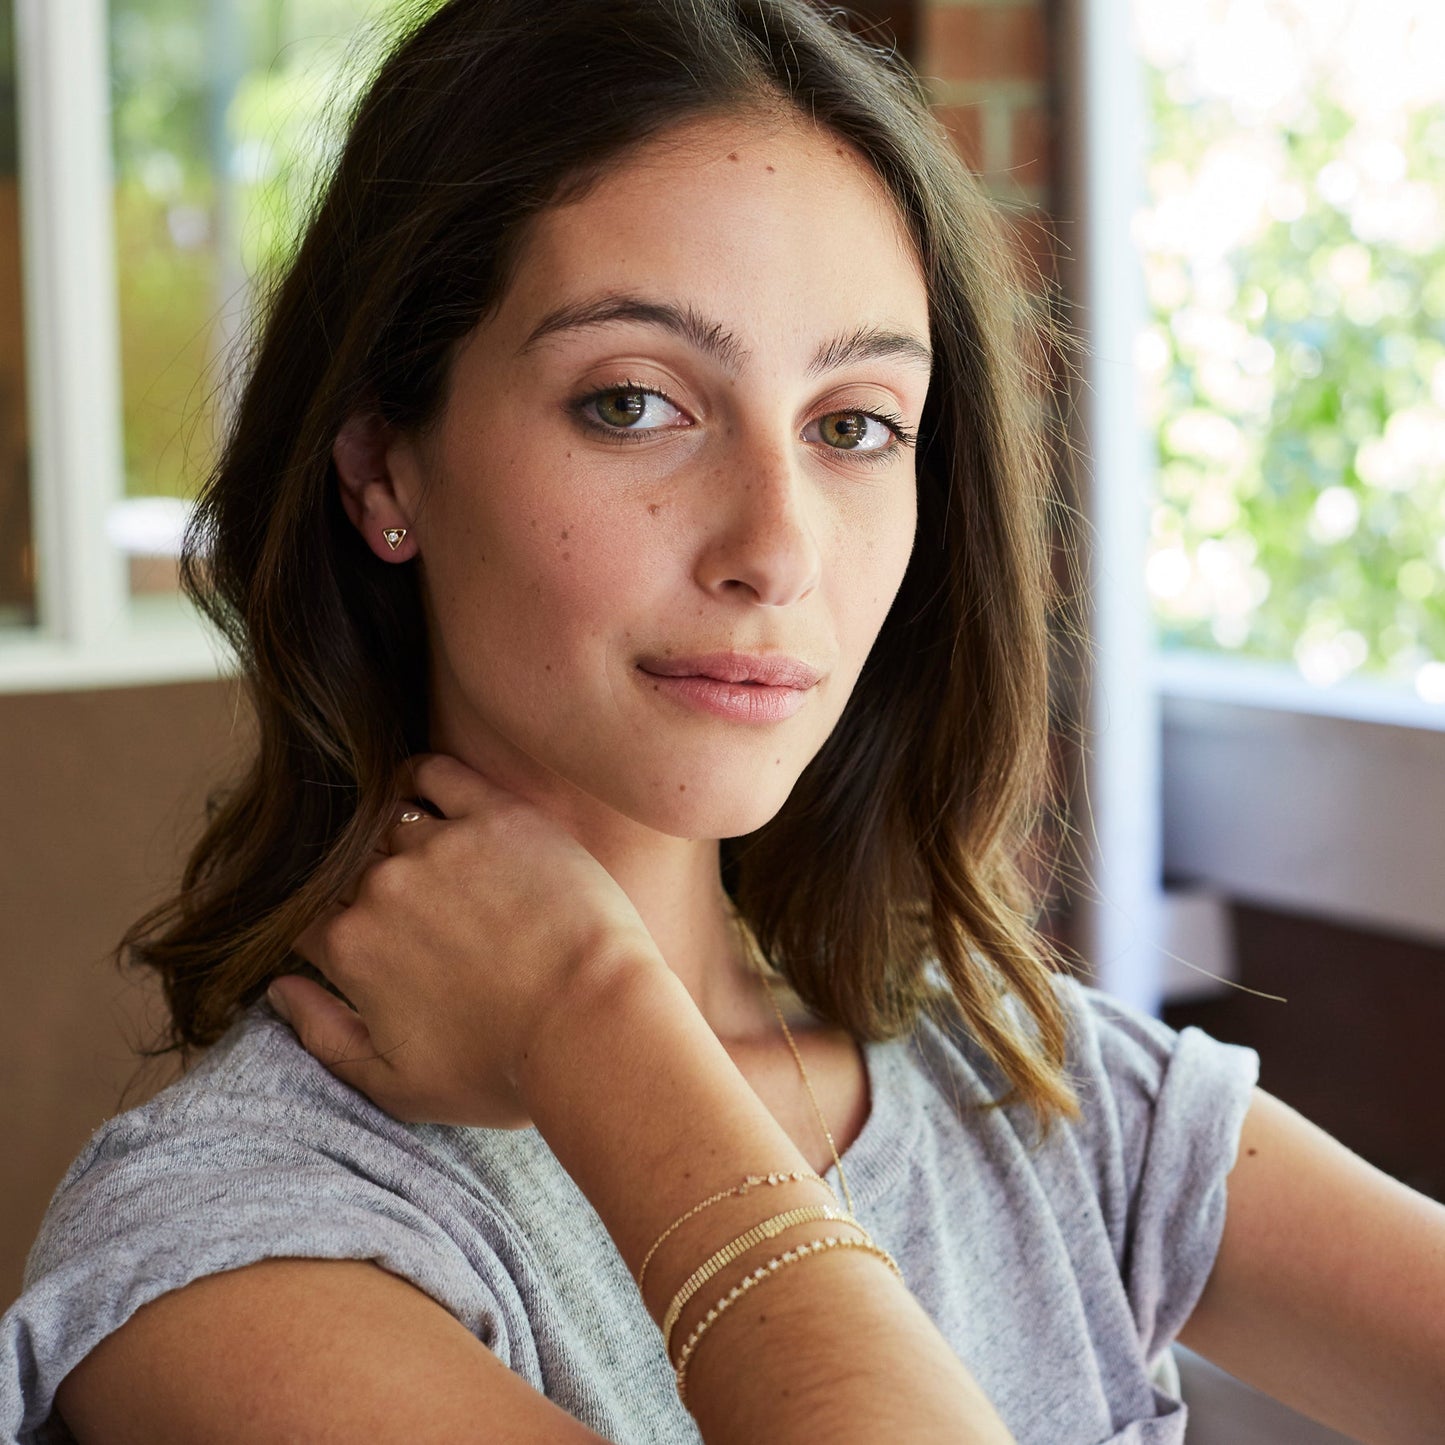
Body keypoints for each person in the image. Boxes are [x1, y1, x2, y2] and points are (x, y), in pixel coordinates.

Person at [4, 0, 1443, 1441]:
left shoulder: (1032, 1093)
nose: (777, 545)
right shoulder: (227, 1254)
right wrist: (593, 1015)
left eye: (853, 423)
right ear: (385, 468)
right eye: (631, 402)